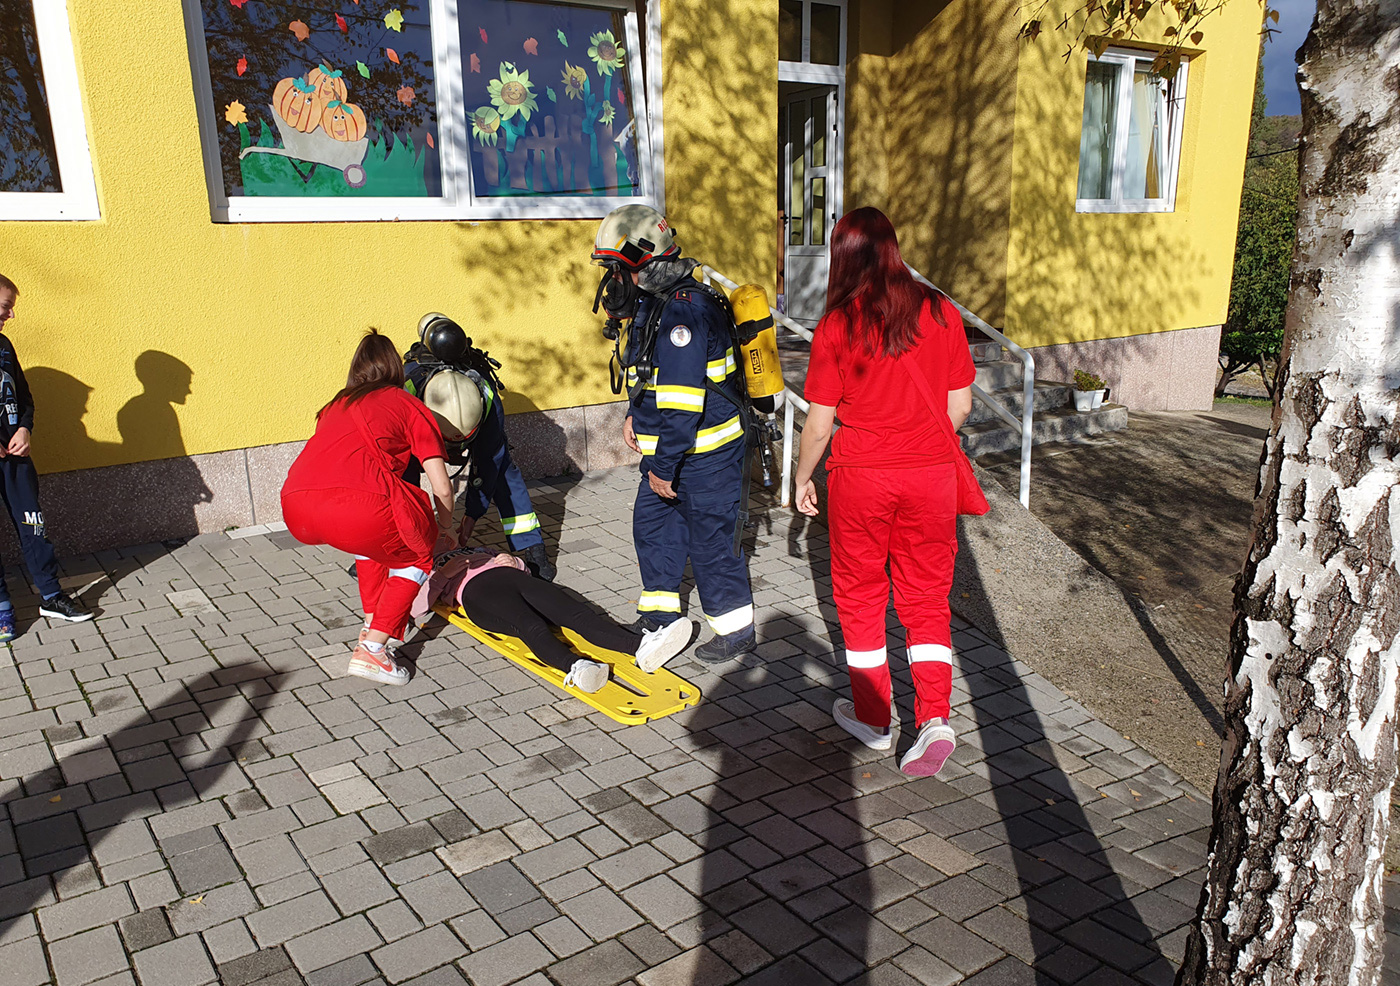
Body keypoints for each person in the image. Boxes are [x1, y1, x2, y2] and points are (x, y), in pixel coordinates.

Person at [792, 207, 976, 777]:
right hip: (930, 478)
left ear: (842, 259)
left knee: (860, 596)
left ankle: (873, 720)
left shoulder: (837, 326)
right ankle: (935, 719)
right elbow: (961, 407)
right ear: (894, 249)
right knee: (925, 599)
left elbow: (819, 424)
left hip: (862, 480)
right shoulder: (941, 310)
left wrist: (800, 479)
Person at [591, 204, 755, 662]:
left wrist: (663, 468)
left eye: (615, 269)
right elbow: (647, 372)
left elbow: (683, 403)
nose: (610, 281)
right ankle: (660, 617)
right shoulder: (653, 303)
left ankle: (736, 630)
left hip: (705, 454)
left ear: (644, 260)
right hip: (675, 450)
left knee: (711, 544)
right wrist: (633, 414)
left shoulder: (684, 313)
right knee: (654, 526)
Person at [281, 329, 456, 686]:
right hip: (359, 505)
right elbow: (441, 484)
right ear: (396, 369)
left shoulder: (334, 405)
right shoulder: (405, 403)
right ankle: (373, 651)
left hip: (296, 503)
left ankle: (372, 622)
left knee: (371, 543)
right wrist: (446, 528)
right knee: (414, 555)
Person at [412, 547, 693, 691]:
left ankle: (640, 647)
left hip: (510, 579)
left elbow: (521, 568)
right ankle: (577, 668)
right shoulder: (421, 565)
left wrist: (515, 561)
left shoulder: (474, 549)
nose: (442, 537)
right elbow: (416, 607)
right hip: (477, 594)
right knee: (529, 625)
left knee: (575, 613)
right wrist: (443, 575)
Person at [404, 314, 555, 581]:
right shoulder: (408, 389)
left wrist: (471, 515)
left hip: (468, 428)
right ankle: (389, 550)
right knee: (400, 474)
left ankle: (530, 548)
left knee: (505, 471)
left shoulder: (485, 394)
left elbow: (489, 460)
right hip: (414, 436)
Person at [0, 274, 93, 640]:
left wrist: (24, 428)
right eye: (6, 307)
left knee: (33, 527)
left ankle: (52, 596)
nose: (9, 316)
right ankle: (3, 608)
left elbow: (24, 397)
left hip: (16, 461)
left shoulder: (5, 346)